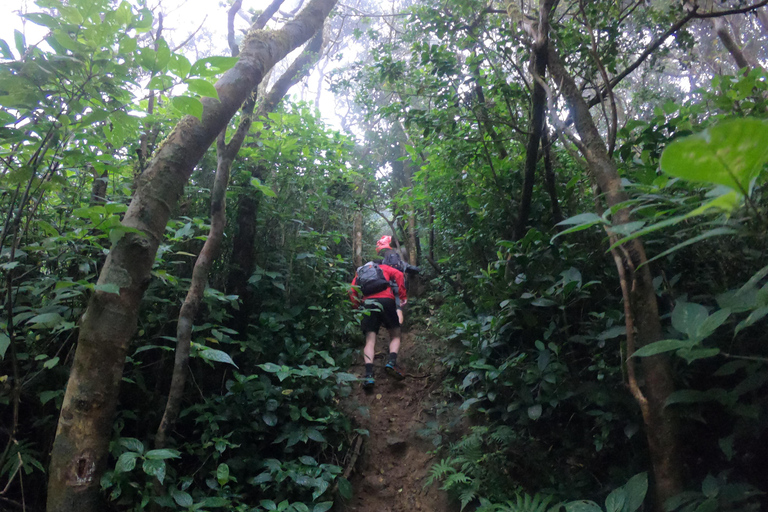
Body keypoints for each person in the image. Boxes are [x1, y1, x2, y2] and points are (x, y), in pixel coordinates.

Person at [349, 257, 408, 389]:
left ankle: (369, 376)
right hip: (387, 300)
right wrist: (403, 296)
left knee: (370, 340)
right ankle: (391, 362)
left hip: (368, 303)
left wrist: (358, 306)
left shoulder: (360, 273)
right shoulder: (383, 268)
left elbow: (351, 291)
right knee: (395, 335)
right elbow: (399, 275)